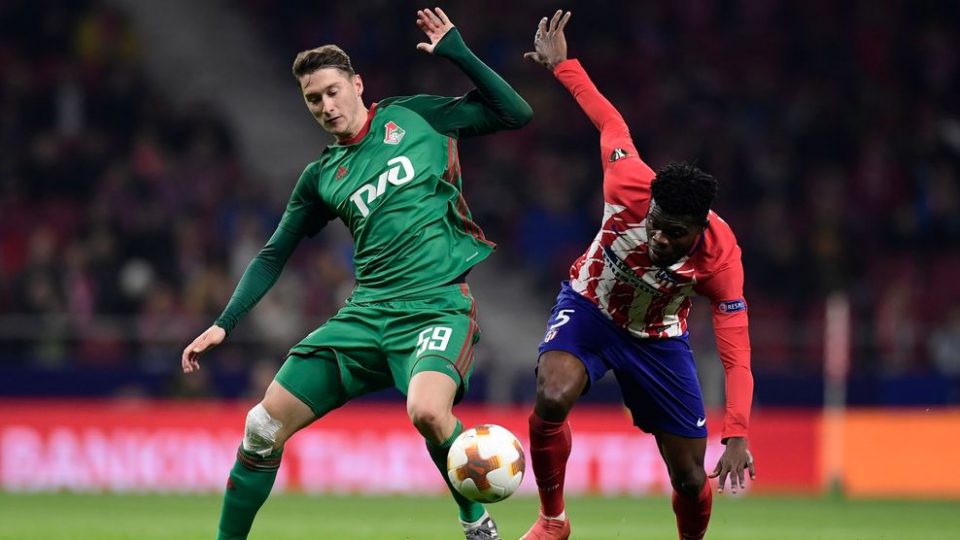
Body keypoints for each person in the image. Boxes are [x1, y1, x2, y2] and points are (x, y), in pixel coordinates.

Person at [180, 8, 532, 539]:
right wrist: (223, 323)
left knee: (428, 413)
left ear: (357, 85)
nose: (326, 106)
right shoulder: (321, 176)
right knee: (261, 428)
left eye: (332, 91)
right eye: (313, 99)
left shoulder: (416, 118)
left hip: (436, 307)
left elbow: (516, 113)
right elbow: (273, 254)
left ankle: (474, 520)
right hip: (366, 316)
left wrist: (457, 52)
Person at [520, 11, 755, 540]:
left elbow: (736, 352)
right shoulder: (627, 181)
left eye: (676, 233)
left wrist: (737, 433)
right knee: (552, 396)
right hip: (590, 308)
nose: (661, 240)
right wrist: (563, 66)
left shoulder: (721, 259)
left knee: (690, 479)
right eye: (657, 225)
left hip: (657, 340)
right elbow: (610, 122)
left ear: (700, 227)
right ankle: (553, 520)